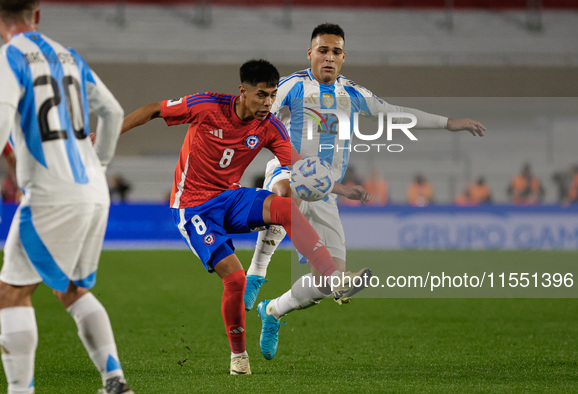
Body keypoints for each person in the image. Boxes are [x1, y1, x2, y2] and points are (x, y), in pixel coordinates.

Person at [246, 23, 486, 361]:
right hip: (289, 170)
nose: (329, 57)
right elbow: (264, 111)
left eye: (336, 52)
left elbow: (397, 114)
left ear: (343, 57)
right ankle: (258, 270)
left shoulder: (353, 94)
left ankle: (271, 312)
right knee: (286, 190)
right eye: (322, 50)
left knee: (332, 284)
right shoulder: (293, 85)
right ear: (310, 53)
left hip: (327, 192)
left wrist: (449, 123)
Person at [119, 59, 369, 375]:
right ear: (243, 91)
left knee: (283, 207)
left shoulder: (268, 126)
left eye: (272, 96)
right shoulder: (206, 106)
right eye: (261, 95)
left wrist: (342, 190)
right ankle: (239, 356)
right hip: (192, 207)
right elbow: (154, 108)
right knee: (235, 280)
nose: (267, 103)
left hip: (229, 198)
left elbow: (301, 168)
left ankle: (333, 277)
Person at [0, 1, 132, 393]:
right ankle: (115, 382)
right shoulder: (69, 56)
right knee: (71, 289)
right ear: (37, 15)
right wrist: (100, 164)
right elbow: (113, 111)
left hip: (52, 194)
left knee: (11, 293)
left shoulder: (10, 56)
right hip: (94, 190)